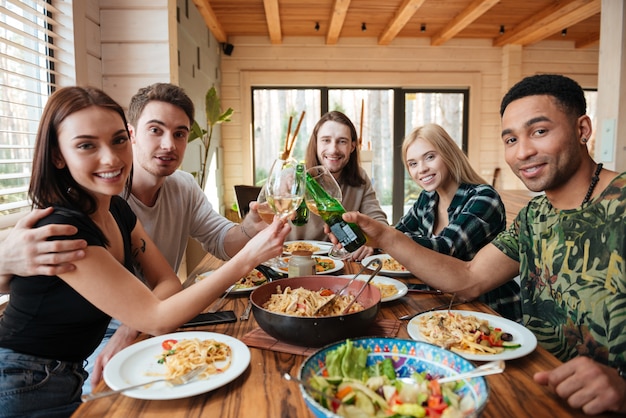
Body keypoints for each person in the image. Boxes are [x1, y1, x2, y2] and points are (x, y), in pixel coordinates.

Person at [340, 74, 626, 415]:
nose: (524, 151)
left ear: (582, 129)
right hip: (527, 387)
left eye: (540, 131)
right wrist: (384, 237)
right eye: (510, 139)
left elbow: (449, 250)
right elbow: (469, 277)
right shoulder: (534, 215)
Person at [0, 86, 290, 417]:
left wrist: (249, 232)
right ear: (58, 155)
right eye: (86, 145)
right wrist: (249, 258)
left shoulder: (117, 211)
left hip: (72, 367)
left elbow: (166, 283)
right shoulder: (66, 229)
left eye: (116, 141)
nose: (110, 158)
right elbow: (157, 316)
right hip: (23, 380)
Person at [396, 123, 521, 322]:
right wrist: (369, 242)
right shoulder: (427, 199)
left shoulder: (484, 198)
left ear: (448, 154)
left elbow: (446, 247)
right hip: (444, 304)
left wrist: (386, 238)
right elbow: (399, 231)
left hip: (489, 311)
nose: (422, 169)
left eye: (430, 157)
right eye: (413, 163)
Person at [286, 110, 388, 260]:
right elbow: (261, 223)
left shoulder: (360, 178)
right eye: (326, 140)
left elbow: (379, 222)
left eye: (342, 141)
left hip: (344, 263)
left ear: (352, 146)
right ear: (316, 144)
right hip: (294, 263)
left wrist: (371, 243)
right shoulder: (292, 178)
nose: (333, 149)